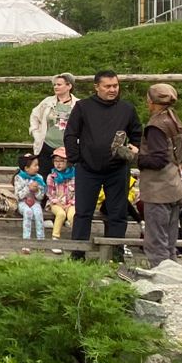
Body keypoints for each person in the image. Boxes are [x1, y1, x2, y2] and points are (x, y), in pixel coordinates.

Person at [63, 71, 141, 255]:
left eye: (115, 85)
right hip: (87, 169)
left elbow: (137, 133)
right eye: (107, 86)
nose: (112, 89)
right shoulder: (83, 107)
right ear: (97, 87)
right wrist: (76, 159)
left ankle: (115, 255)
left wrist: (134, 148)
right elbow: (70, 134)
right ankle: (78, 255)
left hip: (117, 169)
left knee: (118, 214)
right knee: (83, 213)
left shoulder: (127, 109)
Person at [135, 83, 182, 269]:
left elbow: (158, 160)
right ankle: (174, 278)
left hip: (159, 190)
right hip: (174, 186)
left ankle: (161, 279)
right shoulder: (173, 119)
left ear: (151, 101)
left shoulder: (156, 126)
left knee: (157, 243)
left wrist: (135, 157)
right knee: (170, 242)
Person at [29, 73, 80, 178]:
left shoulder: (78, 104)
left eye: (59, 84)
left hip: (68, 148)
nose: (56, 87)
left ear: (69, 86)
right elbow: (34, 115)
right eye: (54, 85)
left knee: (68, 179)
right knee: (44, 177)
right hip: (47, 147)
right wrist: (35, 132)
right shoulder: (47, 102)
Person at [12, 152, 47, 249]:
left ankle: (41, 241)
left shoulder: (39, 178)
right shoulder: (18, 178)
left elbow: (41, 197)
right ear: (26, 168)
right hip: (22, 203)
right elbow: (18, 196)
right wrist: (28, 189)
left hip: (35, 202)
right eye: (35, 165)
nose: (37, 167)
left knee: (38, 213)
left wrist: (36, 191)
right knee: (28, 212)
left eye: (38, 165)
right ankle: (26, 242)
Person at [46, 148, 77, 243]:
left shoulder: (74, 176)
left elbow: (78, 192)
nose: (58, 164)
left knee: (73, 215)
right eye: (56, 161)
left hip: (70, 203)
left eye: (61, 161)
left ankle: (76, 238)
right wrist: (58, 203)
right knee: (61, 214)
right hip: (55, 203)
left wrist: (71, 203)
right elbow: (50, 194)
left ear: (68, 162)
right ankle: (55, 238)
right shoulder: (51, 177)